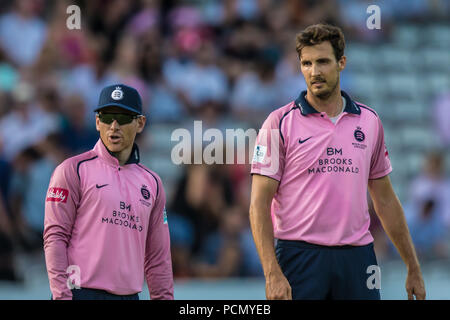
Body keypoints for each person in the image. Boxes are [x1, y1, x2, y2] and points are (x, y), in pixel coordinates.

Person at [249, 24, 425, 300]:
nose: (314, 71)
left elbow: (386, 200)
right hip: (299, 256)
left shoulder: (369, 122)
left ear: (341, 63)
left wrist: (412, 266)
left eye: (322, 62)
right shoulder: (278, 123)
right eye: (306, 63)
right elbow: (259, 203)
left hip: (358, 258)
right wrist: (272, 273)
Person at [43, 84, 173, 300]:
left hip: (129, 296)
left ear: (140, 123)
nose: (113, 126)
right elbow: (55, 237)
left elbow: (158, 257)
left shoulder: (153, 183)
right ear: (97, 122)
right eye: (106, 117)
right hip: (79, 293)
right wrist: (61, 295)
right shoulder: (72, 169)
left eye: (122, 118)